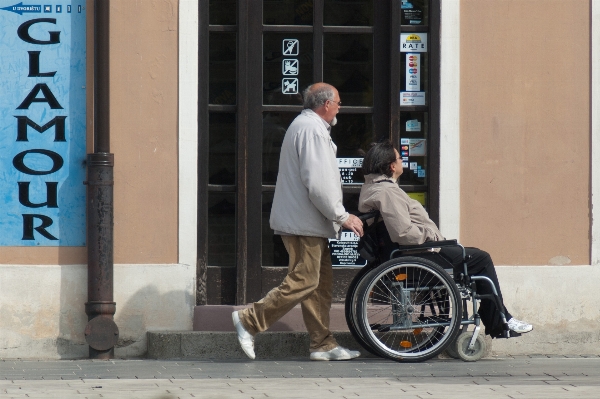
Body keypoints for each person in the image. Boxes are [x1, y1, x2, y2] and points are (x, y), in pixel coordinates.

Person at [232, 83, 365, 361]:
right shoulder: (312, 129)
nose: (340, 107)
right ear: (325, 104)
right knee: (305, 280)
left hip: (308, 222)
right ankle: (249, 320)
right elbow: (318, 183)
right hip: (304, 222)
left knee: (319, 284)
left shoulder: (307, 127)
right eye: (338, 102)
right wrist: (342, 215)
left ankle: (322, 344)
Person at [357, 140, 533, 338]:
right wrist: (431, 237)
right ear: (391, 166)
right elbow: (403, 233)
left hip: (411, 253)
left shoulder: (374, 188)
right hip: (417, 254)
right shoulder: (387, 192)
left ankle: (497, 315)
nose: (402, 161)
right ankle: (500, 318)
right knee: (481, 259)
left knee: (472, 256)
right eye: (399, 158)